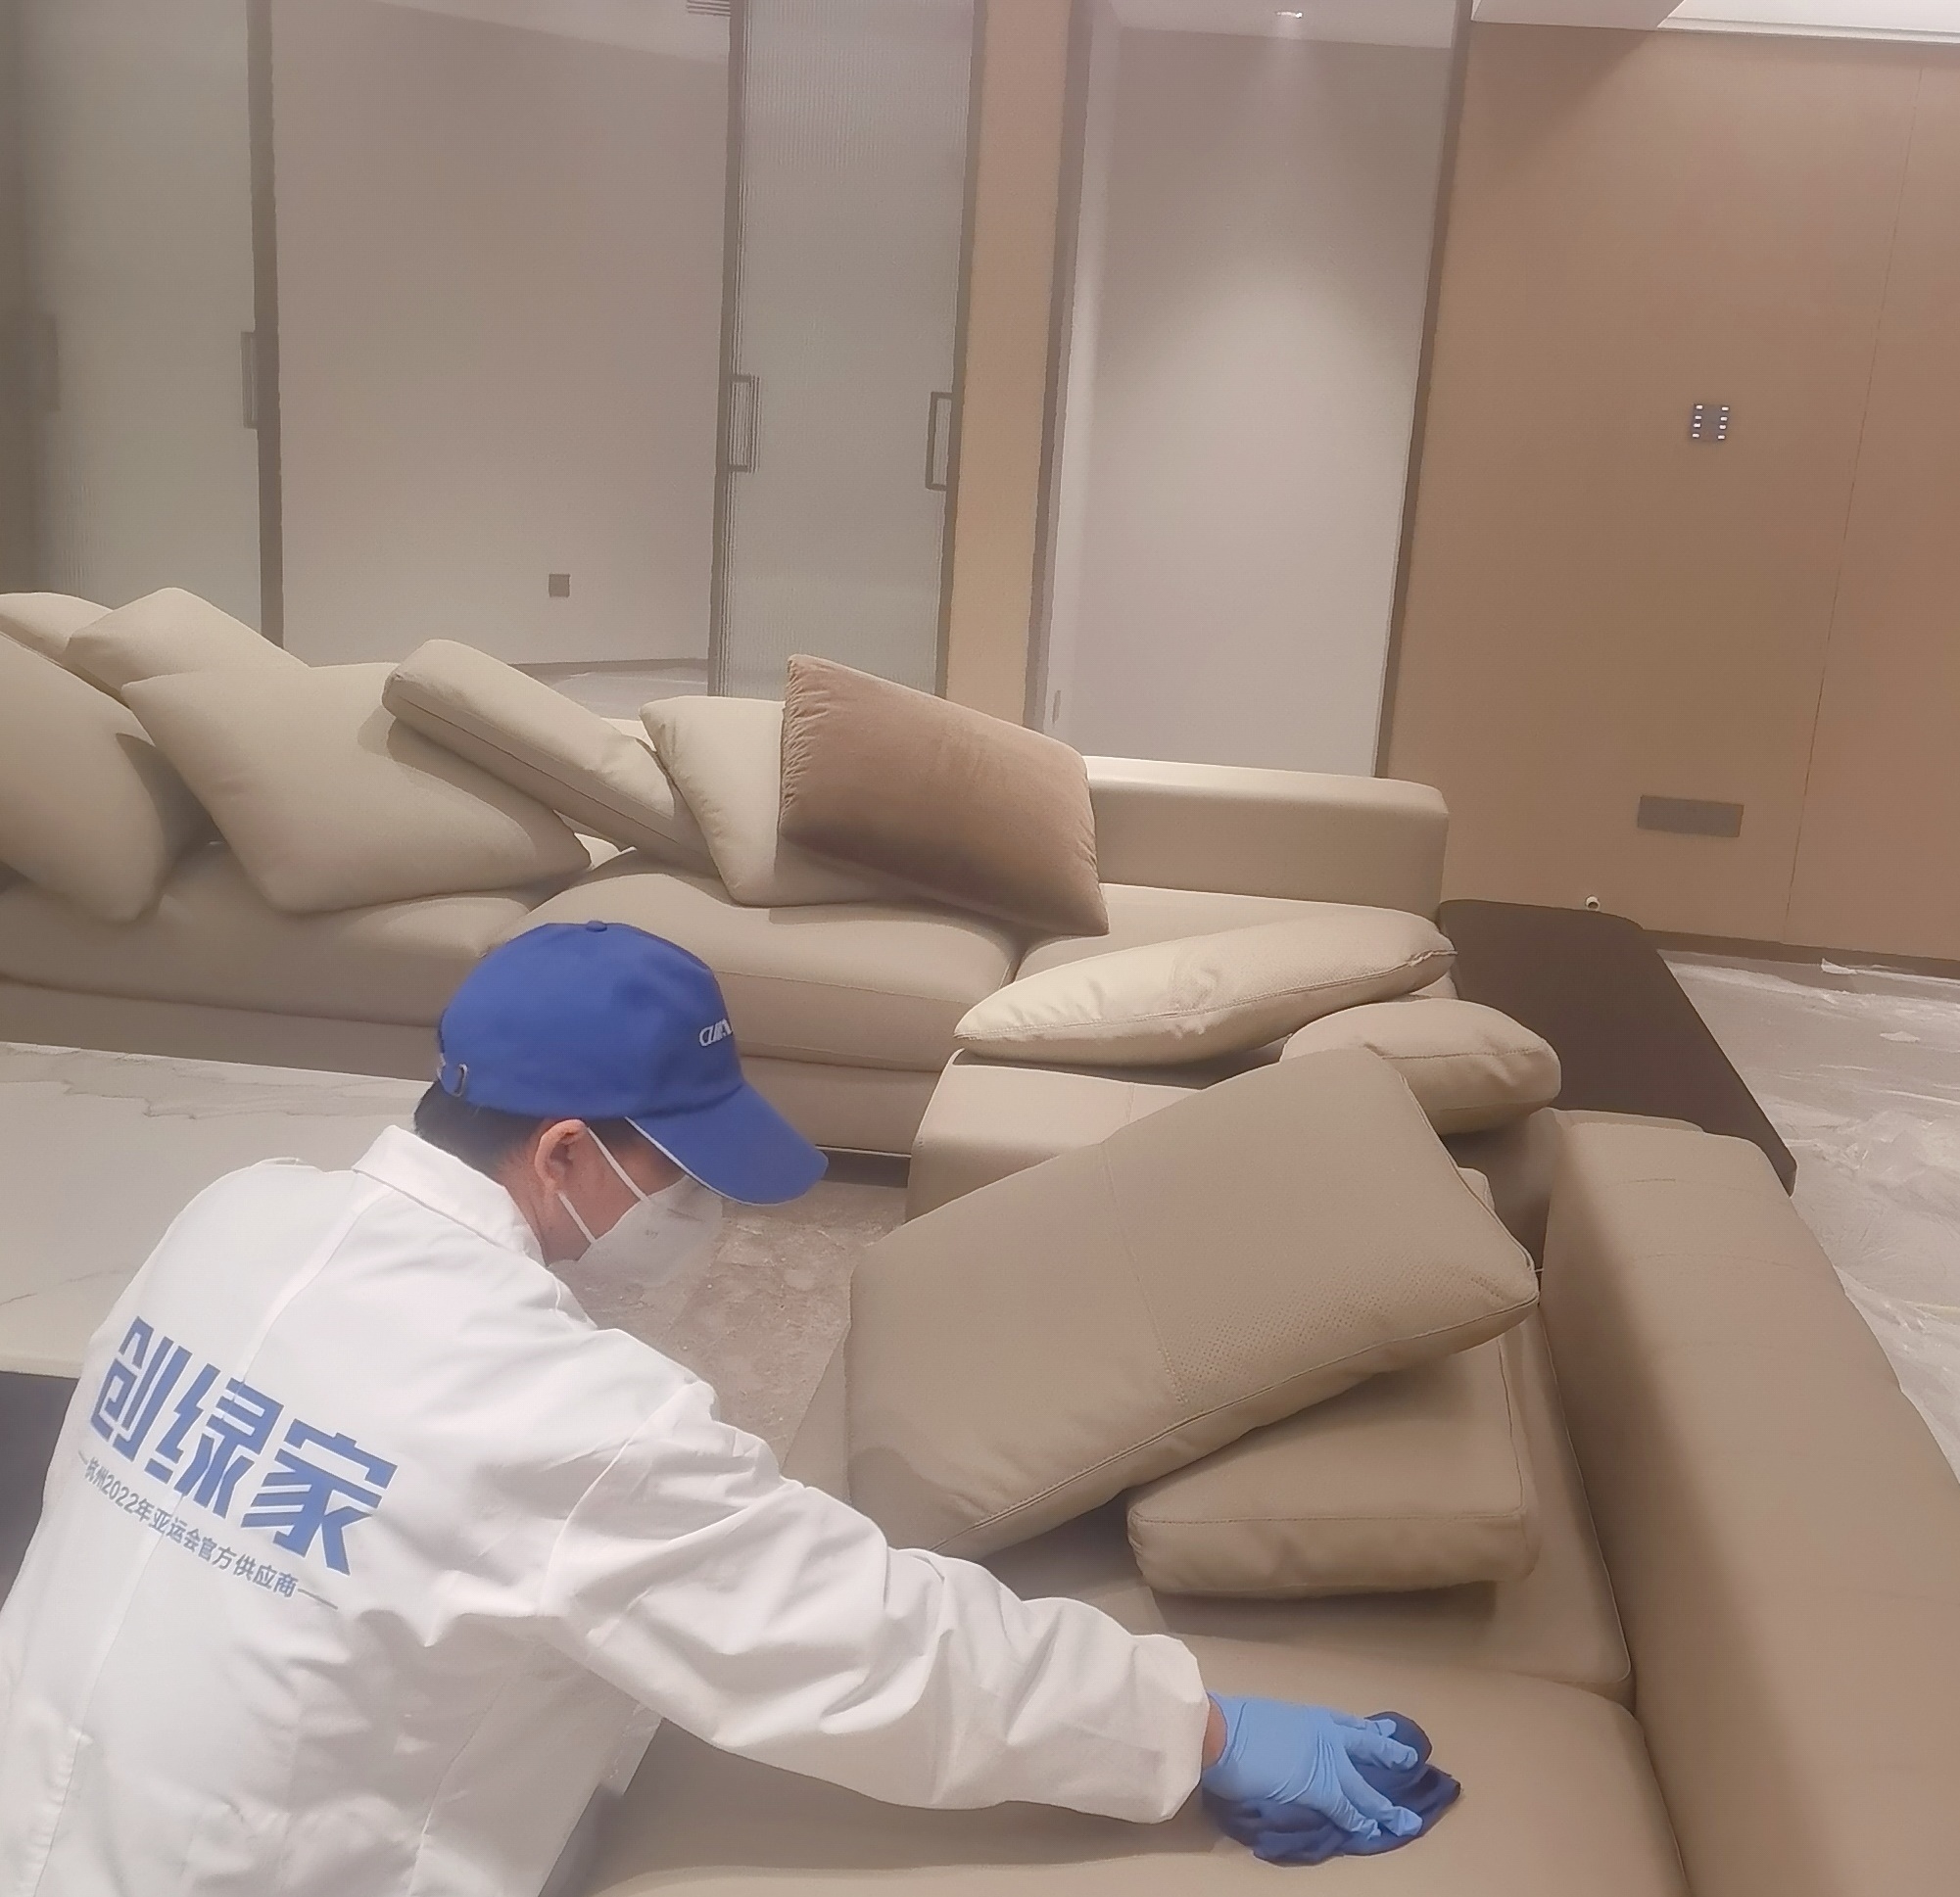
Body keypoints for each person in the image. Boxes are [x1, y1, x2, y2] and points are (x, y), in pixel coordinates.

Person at [0, 923, 1425, 1894]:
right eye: (677, 1173)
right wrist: (1194, 1725)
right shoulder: (556, 1414)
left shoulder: (238, 1213)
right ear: (564, 1155)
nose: (700, 1215)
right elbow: (866, 1645)